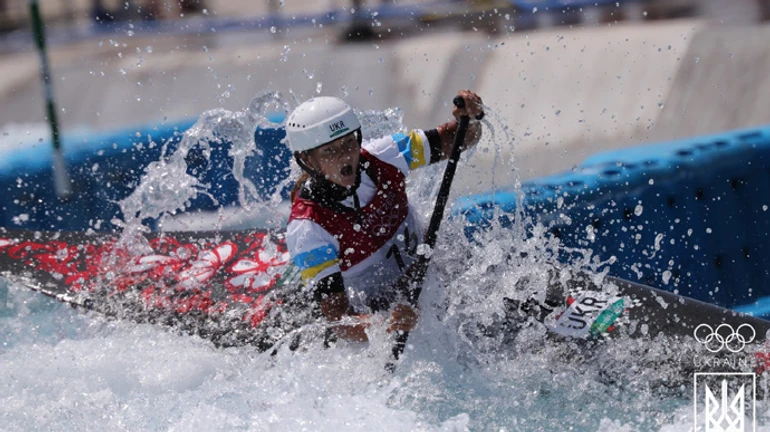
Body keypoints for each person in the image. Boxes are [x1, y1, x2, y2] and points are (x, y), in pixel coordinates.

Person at [285, 91, 484, 343]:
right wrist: (385, 324)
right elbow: (339, 321)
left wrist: (471, 118)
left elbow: (461, 139)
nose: (345, 156)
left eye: (348, 143)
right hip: (374, 314)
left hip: (427, 278)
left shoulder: (385, 155)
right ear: (307, 159)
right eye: (329, 151)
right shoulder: (308, 228)